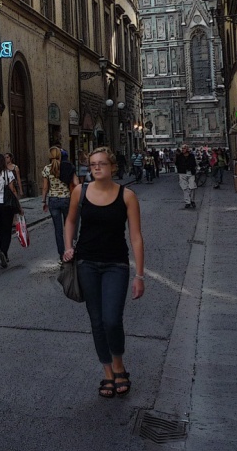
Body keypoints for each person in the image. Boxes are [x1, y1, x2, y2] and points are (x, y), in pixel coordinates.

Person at [63, 147, 144, 399]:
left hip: (115, 264)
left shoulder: (127, 196)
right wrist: (68, 247)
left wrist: (139, 275)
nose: (96, 168)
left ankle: (119, 364)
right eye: (93, 164)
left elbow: (136, 237)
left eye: (102, 164)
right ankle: (108, 372)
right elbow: (70, 221)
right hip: (86, 263)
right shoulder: (80, 192)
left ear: (112, 167)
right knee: (97, 321)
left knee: (112, 319)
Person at [41, 146, 79, 263]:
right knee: (69, 226)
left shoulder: (46, 169)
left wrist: (44, 201)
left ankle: (62, 255)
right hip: (66, 199)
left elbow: (45, 187)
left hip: (53, 200)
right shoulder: (67, 167)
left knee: (58, 230)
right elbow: (76, 183)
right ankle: (70, 249)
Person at [176, 144, 197, 209]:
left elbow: (194, 164)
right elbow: (176, 163)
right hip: (182, 173)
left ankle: (192, 200)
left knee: (192, 186)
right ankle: (187, 202)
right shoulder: (179, 156)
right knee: (185, 188)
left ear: (187, 149)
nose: (183, 150)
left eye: (184, 148)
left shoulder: (191, 156)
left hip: (190, 172)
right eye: (182, 149)